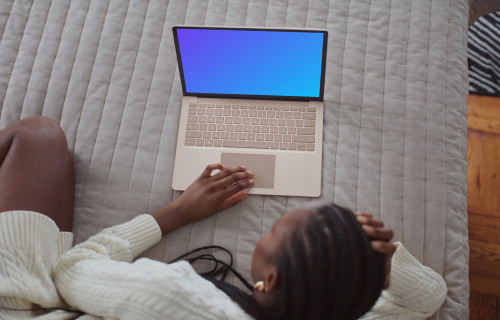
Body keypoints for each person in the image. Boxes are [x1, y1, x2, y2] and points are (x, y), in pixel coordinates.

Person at [0, 117, 447, 320]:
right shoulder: (332, 307)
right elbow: (428, 298)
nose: (268, 228)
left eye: (274, 230)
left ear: (269, 279)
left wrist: (175, 213)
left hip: (26, 307)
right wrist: (375, 270)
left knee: (38, 136)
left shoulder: (175, 296)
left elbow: (70, 272)